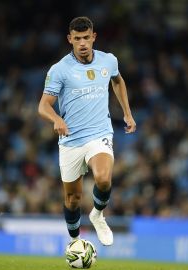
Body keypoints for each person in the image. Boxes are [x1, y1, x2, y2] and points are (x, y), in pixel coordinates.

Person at [38, 16, 136, 246]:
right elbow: (43, 105)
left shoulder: (108, 61)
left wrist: (127, 113)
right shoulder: (60, 70)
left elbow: (118, 81)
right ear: (69, 39)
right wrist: (56, 118)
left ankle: (98, 214)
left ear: (94, 37)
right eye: (77, 38)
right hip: (71, 140)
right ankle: (75, 242)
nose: (82, 43)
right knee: (73, 199)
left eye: (86, 38)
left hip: (99, 134)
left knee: (103, 179)